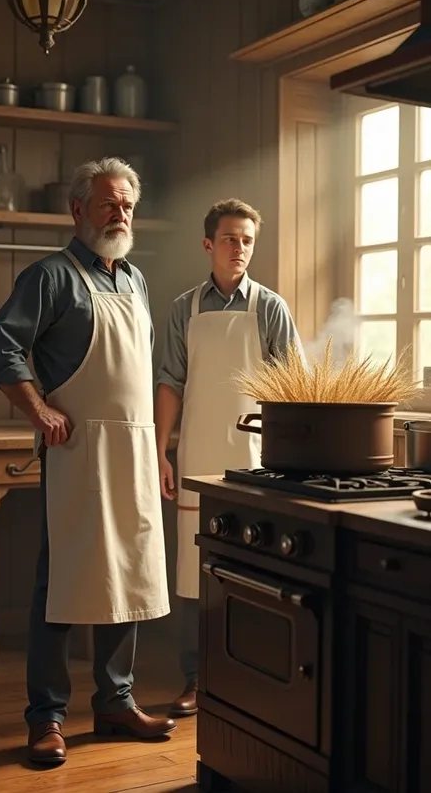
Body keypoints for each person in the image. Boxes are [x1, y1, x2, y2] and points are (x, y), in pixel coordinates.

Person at [0, 157, 174, 766]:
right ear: (78, 210)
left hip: (135, 451)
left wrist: (160, 446)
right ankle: (48, 718)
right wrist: (37, 409)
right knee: (63, 584)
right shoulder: (52, 276)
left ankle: (115, 702)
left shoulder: (136, 281)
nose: (120, 214)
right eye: (109, 203)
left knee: (130, 578)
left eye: (127, 205)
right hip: (80, 453)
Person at [155, 198, 304, 717]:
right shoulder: (184, 309)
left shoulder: (270, 308)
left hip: (255, 459)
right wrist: (160, 452)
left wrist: (289, 462)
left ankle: (249, 676)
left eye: (246, 240)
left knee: (250, 568)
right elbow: (170, 383)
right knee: (193, 571)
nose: (239, 248)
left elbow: (292, 390)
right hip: (196, 453)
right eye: (229, 239)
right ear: (208, 245)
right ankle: (195, 680)